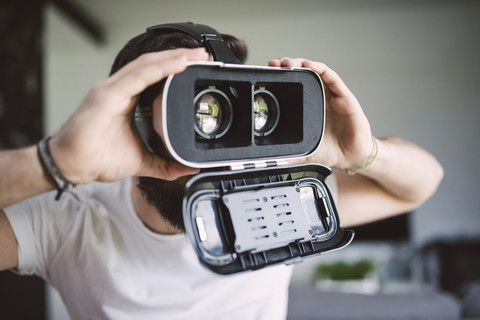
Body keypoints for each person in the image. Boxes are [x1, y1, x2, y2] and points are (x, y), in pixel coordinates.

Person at [0, 25, 443, 319]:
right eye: (191, 117)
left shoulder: (278, 196)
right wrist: (55, 163)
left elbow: (420, 185)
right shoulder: (70, 219)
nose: (212, 161)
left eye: (218, 117)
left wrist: (361, 153)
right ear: (132, 123)